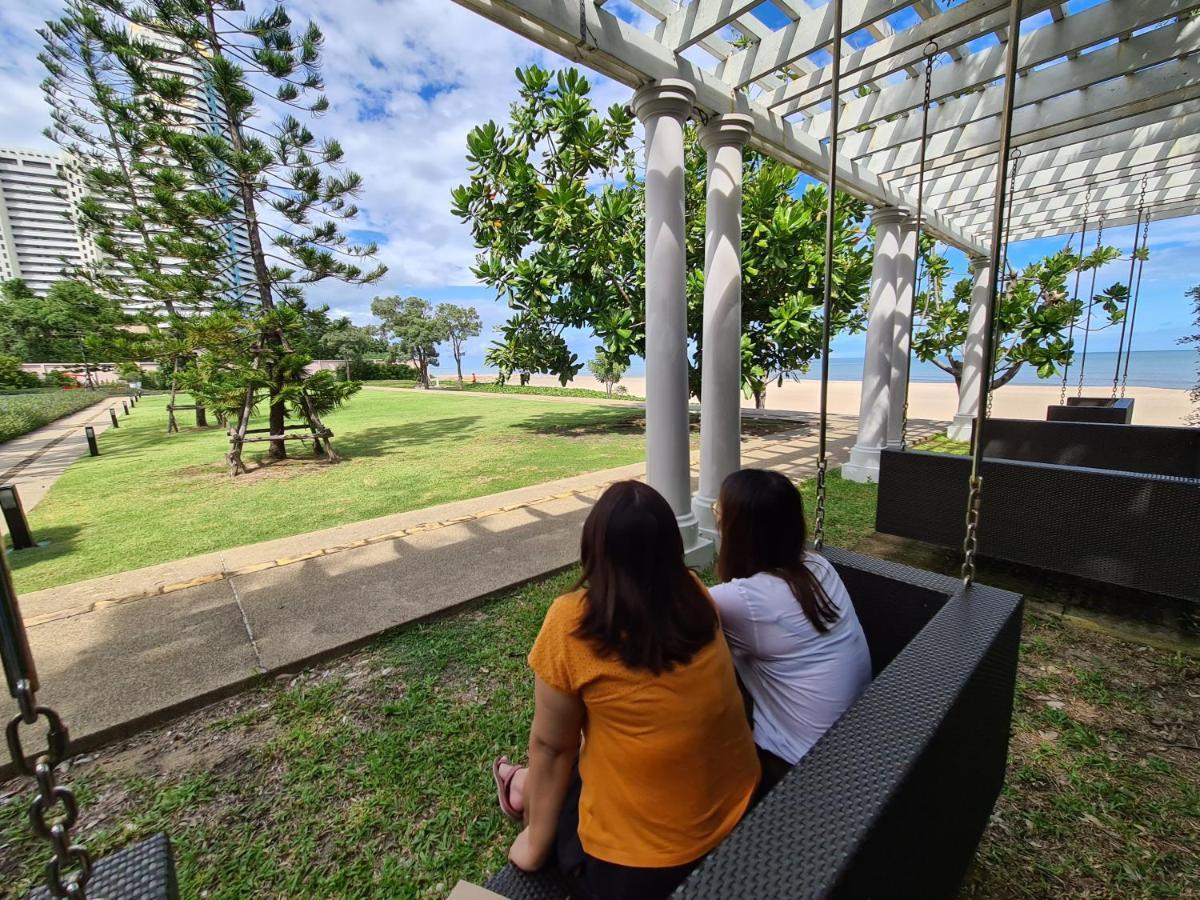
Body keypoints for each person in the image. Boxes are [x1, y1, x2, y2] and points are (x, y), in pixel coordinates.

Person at [493, 480, 760, 900]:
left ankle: (519, 786)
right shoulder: (695, 594)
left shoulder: (572, 621)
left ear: (594, 549)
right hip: (740, 806)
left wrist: (533, 845)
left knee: (564, 776)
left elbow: (552, 747)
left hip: (640, 870)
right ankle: (521, 783)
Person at [709, 468, 872, 790]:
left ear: (738, 530)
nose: (715, 516)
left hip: (798, 766)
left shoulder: (742, 601)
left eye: (718, 511)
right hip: (852, 740)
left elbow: (662, 610)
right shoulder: (816, 566)